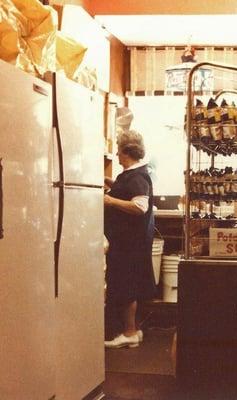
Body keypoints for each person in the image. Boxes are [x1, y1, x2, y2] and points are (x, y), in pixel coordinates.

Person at [104, 130, 156, 348]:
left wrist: (109, 201)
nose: (116, 154)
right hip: (127, 243)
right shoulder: (129, 175)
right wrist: (109, 183)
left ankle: (129, 332)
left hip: (129, 245)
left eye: (118, 149)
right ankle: (133, 331)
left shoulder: (137, 176)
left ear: (126, 152)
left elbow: (139, 206)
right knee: (128, 285)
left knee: (126, 286)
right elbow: (127, 193)